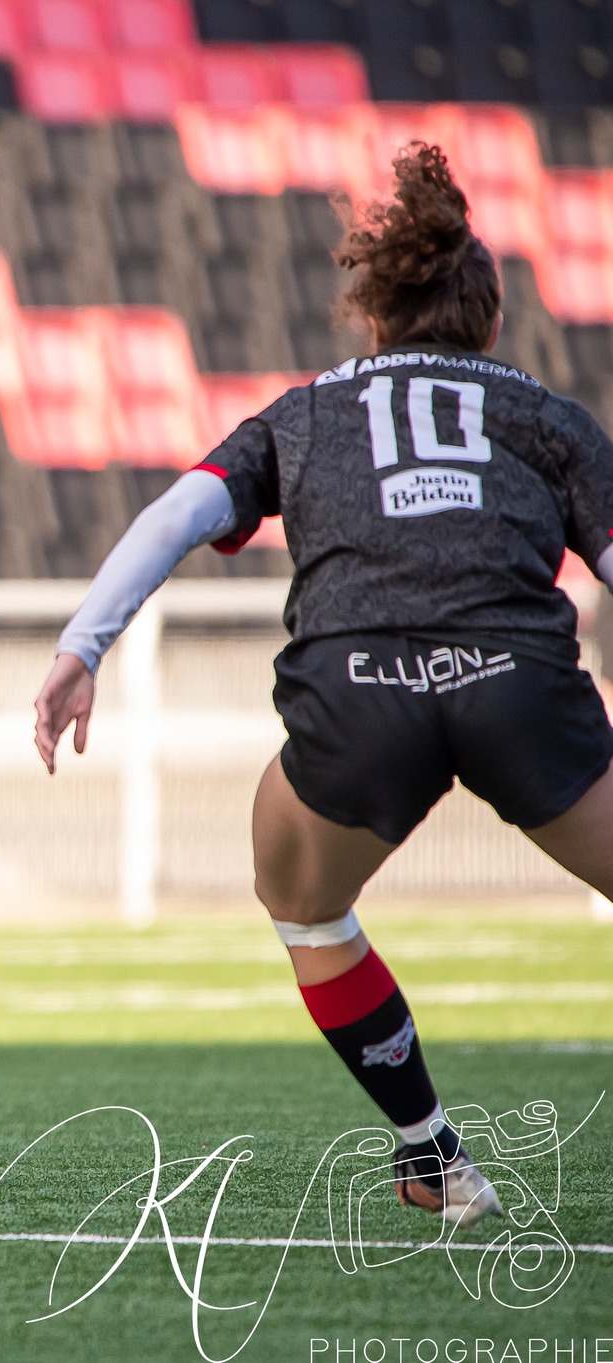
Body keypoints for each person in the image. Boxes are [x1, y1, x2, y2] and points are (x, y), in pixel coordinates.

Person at [33, 143, 613, 1229]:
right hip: (514, 682)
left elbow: (174, 517)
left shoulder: (299, 415)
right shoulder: (543, 415)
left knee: (302, 908)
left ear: (373, 323)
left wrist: (82, 646)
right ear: (489, 325)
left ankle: (429, 1153)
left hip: (355, 690)